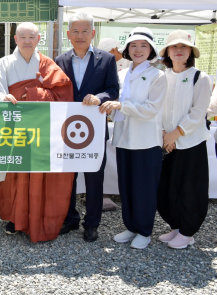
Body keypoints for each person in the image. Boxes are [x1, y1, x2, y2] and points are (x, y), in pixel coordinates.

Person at [0, 22, 74, 243]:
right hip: (13, 128)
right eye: (22, 36)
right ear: (15, 39)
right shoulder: (3, 64)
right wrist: (2, 97)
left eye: (31, 37)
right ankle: (15, 218)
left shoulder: (48, 65)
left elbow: (64, 94)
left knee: (38, 176)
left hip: (39, 130)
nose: (27, 41)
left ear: (38, 39)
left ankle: (38, 215)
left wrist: (34, 93)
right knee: (15, 175)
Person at [99, 27, 167, 250]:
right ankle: (131, 226)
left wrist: (120, 106)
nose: (138, 50)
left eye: (143, 46)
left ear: (151, 50)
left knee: (144, 187)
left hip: (146, 140)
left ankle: (145, 231)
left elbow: (151, 109)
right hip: (124, 139)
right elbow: (115, 104)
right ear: (127, 49)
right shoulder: (121, 74)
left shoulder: (158, 76)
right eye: (133, 46)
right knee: (126, 185)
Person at [55, 13, 120, 242]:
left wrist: (99, 98)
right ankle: (69, 219)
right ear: (68, 35)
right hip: (67, 132)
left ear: (93, 33)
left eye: (85, 31)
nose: (80, 35)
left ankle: (92, 224)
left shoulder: (106, 59)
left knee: (94, 178)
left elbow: (113, 90)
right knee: (67, 179)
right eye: (75, 31)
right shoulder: (60, 60)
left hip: (93, 131)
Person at [156, 30, 212, 249]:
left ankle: (188, 232)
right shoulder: (162, 76)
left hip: (191, 143)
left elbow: (198, 113)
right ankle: (176, 227)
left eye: (184, 47)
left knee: (190, 188)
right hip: (168, 143)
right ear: (168, 52)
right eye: (174, 47)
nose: (179, 51)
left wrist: (175, 134)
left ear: (190, 52)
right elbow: (158, 108)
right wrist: (165, 136)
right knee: (169, 187)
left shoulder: (201, 77)